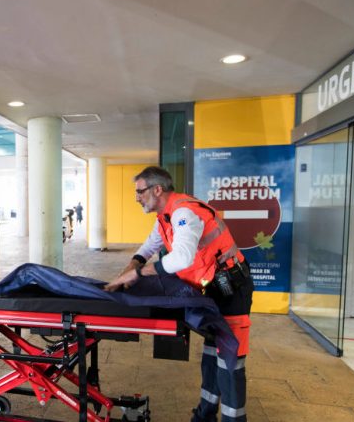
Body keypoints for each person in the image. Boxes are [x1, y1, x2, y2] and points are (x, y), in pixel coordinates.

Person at [105, 166, 253, 422]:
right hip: (211, 289)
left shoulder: (184, 212)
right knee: (211, 353)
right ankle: (205, 415)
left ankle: (233, 419)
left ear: (157, 189)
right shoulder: (165, 216)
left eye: (140, 192)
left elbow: (182, 257)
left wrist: (139, 275)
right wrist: (129, 269)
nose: (137, 197)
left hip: (231, 289)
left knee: (230, 359)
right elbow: (149, 246)